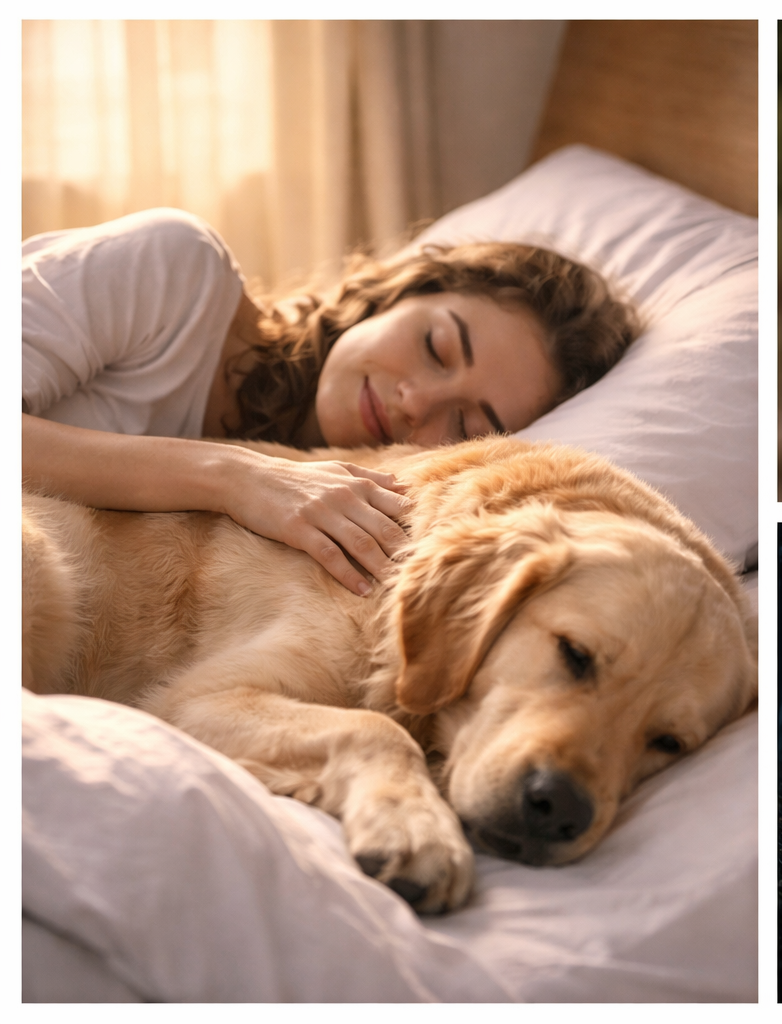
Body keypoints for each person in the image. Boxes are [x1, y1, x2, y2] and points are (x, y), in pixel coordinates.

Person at [23, 208, 638, 596]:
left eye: (464, 424)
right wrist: (232, 476)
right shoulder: (177, 271)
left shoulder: (331, 518)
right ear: (399, 292)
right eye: (436, 345)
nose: (415, 402)